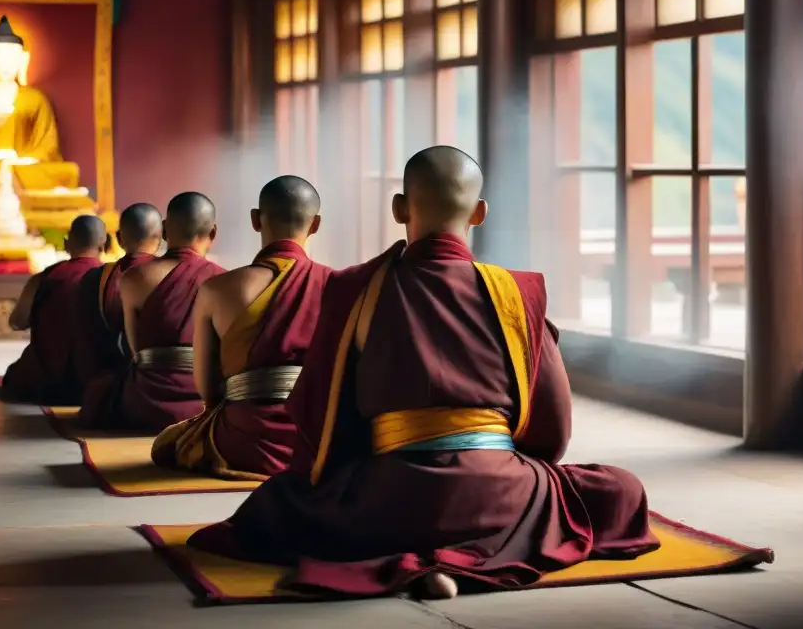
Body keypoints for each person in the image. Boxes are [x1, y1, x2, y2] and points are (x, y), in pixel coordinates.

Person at [187, 147, 659, 599]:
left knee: (274, 507)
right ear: (479, 213)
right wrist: (513, 469)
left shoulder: (356, 288)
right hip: (498, 487)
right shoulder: (517, 292)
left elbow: (322, 414)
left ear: (398, 208)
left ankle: (421, 557)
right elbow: (552, 426)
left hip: (388, 496)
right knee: (620, 490)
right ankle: (477, 552)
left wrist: (351, 475)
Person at [152, 176, 332, 480]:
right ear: (315, 224)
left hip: (242, 438)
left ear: (255, 220)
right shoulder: (337, 285)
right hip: (319, 439)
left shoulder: (217, 289)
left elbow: (207, 388)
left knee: (166, 445)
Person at [82, 192, 225, 432]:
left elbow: (134, 349)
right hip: (205, 402)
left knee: (98, 391)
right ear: (213, 233)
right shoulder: (225, 280)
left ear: (165, 229)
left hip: (146, 402)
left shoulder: (135, 278)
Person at [1, 215, 108, 404]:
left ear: (67, 243)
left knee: (13, 374)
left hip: (44, 382)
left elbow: (17, 322)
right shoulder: (113, 278)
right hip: (95, 381)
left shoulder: (44, 278)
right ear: (104, 246)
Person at [78, 203, 164, 425]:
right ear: (162, 235)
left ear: (118, 237)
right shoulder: (174, 274)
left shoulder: (94, 278)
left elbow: (87, 341)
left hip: (112, 386)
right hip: (166, 381)